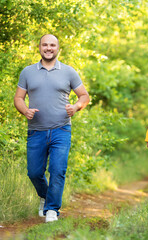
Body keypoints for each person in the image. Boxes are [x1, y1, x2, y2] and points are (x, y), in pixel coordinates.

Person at [14, 34, 90, 223]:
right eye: (45, 45)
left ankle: (52, 210)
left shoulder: (69, 72)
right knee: (34, 173)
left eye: (52, 45)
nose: (49, 48)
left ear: (58, 49)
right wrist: (25, 111)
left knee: (57, 170)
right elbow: (18, 98)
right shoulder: (27, 72)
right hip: (36, 130)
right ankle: (45, 197)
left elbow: (84, 96)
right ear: (39, 47)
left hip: (61, 129)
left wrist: (76, 107)